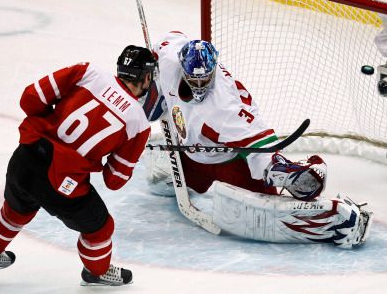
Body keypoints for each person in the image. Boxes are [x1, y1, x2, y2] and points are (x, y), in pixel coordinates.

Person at [143, 31, 372, 248]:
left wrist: (277, 168)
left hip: (228, 163)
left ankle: (338, 218)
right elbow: (164, 43)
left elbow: (256, 145)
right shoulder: (170, 58)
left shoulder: (224, 107)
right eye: (194, 79)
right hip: (191, 155)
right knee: (158, 182)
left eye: (205, 80)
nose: (200, 86)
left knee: (270, 201)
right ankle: (191, 173)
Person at [0, 46, 157, 286]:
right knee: (100, 227)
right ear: (147, 77)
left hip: (25, 157)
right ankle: (96, 272)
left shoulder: (89, 72)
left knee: (17, 208)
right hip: (61, 183)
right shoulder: (138, 123)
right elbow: (114, 180)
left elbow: (30, 99)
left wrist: (52, 126)